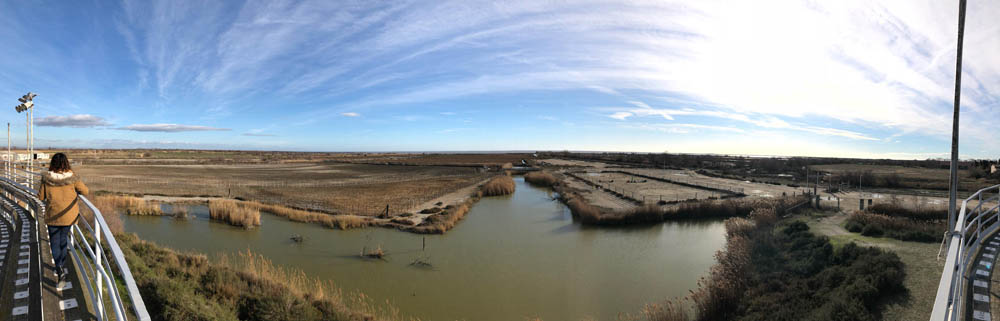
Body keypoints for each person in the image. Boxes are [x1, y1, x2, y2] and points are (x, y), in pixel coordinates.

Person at [38, 152, 88, 281]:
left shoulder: (47, 179)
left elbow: (40, 197)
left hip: (52, 215)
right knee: (63, 241)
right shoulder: (73, 178)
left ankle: (59, 268)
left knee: (54, 242)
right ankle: (62, 264)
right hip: (68, 216)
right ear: (66, 163)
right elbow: (85, 191)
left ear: (52, 164)